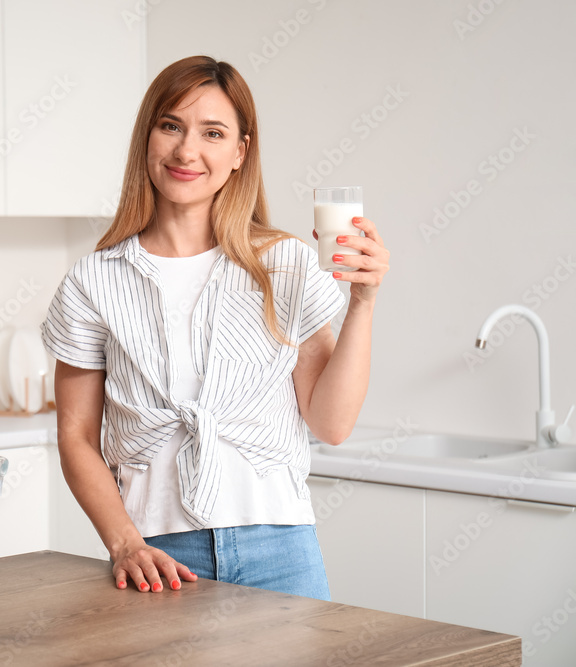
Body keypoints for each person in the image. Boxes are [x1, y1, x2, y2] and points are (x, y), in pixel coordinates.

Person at [40, 55, 389, 599]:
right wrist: (124, 543)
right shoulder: (93, 282)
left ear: (239, 153)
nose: (187, 151)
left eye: (213, 133)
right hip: (158, 560)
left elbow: (332, 423)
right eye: (171, 126)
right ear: (147, 138)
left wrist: (363, 302)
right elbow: (76, 436)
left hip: (282, 548)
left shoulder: (286, 264)